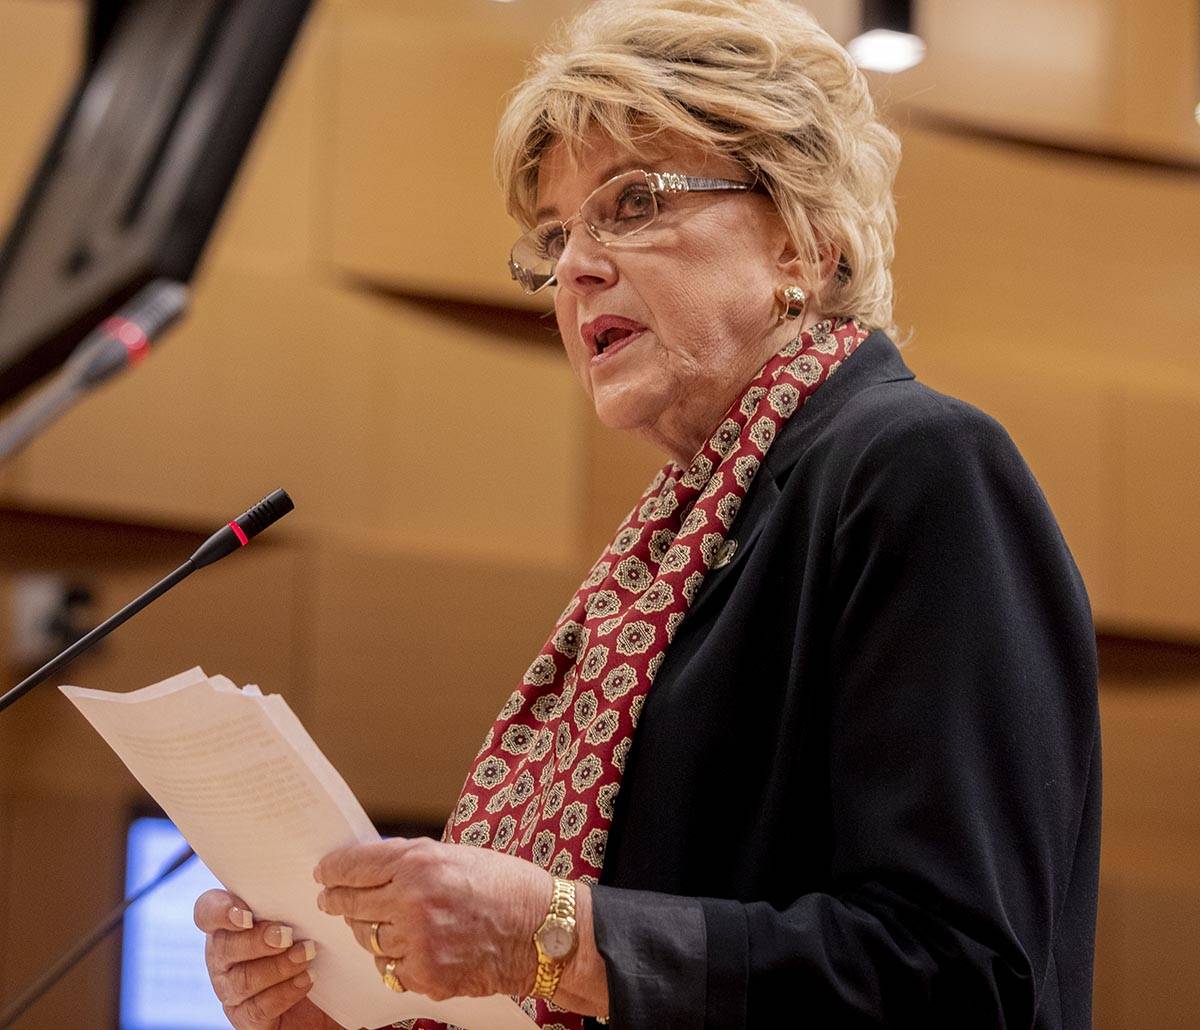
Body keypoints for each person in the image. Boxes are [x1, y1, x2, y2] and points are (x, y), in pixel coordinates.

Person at [194, 1, 1100, 1027]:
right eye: (554, 236)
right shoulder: (670, 551)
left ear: (803, 243)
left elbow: (965, 976)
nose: (574, 268)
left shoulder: (915, 469)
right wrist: (343, 1005)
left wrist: (552, 939)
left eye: (632, 206)